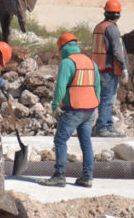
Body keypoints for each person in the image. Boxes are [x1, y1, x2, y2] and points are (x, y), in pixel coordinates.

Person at [40, 33, 99, 188]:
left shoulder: (67, 63)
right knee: (85, 141)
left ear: (63, 48)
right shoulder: (90, 62)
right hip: (90, 109)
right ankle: (87, 177)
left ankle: (59, 175)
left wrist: (55, 106)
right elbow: (97, 87)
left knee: (60, 140)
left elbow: (60, 87)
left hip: (74, 108)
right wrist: (95, 105)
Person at [91, 0, 129, 137]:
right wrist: (124, 68)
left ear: (105, 12)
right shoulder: (112, 29)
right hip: (108, 69)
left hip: (97, 68)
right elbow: (118, 51)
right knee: (108, 99)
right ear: (118, 15)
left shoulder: (98, 27)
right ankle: (104, 128)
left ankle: (106, 125)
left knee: (102, 98)